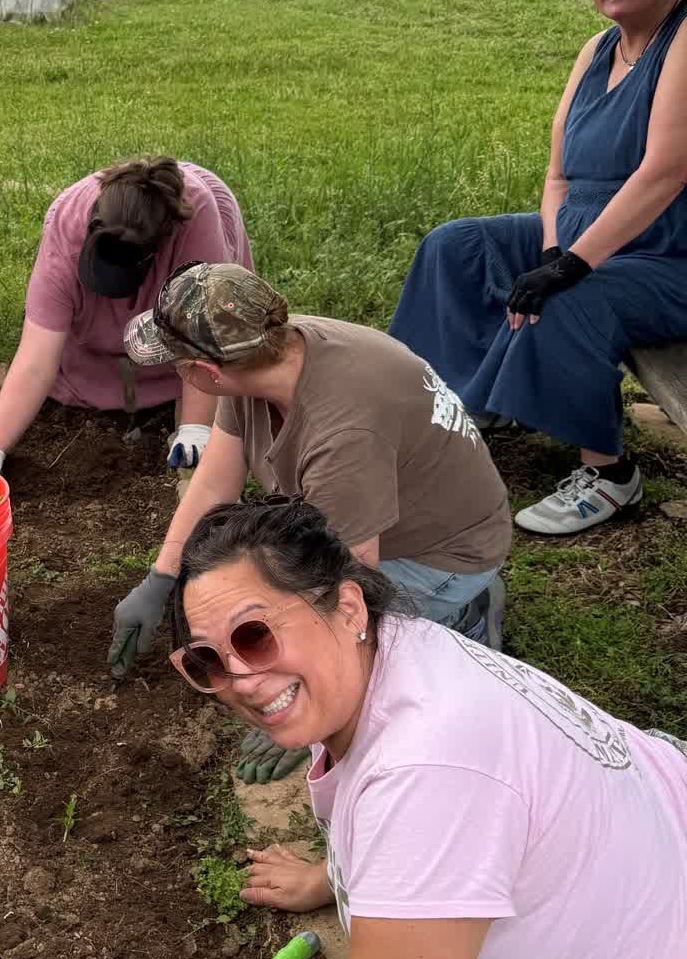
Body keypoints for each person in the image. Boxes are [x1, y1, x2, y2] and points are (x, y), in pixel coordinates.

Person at [169, 497, 687, 959]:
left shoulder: (425, 774)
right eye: (207, 660)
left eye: (255, 635)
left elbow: (434, 802)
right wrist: (339, 878)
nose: (240, 678)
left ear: (347, 607)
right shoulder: (390, 650)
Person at [112, 262, 512, 782]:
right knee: (263, 584)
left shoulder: (342, 436)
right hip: (391, 514)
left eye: (177, 362)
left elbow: (353, 595)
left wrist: (298, 700)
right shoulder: (264, 352)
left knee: (290, 603)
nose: (176, 371)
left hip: (441, 552)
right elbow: (214, 484)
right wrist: (160, 578)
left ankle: (459, 610)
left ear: (205, 375)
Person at [388, 0, 687, 535]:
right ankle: (471, 398)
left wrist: (572, 266)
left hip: (667, 251)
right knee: (455, 245)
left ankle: (610, 475)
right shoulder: (597, 49)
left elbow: (665, 174)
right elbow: (558, 176)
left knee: (573, 298)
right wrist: (554, 250)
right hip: (585, 234)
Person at [0, 158, 253, 474]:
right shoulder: (65, 233)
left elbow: (204, 331)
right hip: (91, 248)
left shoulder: (196, 223)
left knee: (220, 346)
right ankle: (107, 380)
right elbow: (34, 362)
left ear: (156, 252)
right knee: (78, 360)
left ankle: (168, 389)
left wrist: (196, 428)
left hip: (189, 236)